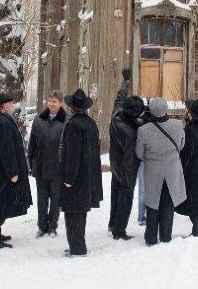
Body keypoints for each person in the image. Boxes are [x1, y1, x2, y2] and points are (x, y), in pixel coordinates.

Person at [0, 93, 32, 249]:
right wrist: (12, 172)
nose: (13, 106)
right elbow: (6, 150)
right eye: (11, 103)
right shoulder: (3, 123)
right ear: (5, 106)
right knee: (1, 203)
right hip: (3, 172)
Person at [58, 88, 103, 257]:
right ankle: (79, 245)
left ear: (71, 107)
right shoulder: (91, 123)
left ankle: (77, 248)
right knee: (80, 213)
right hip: (88, 176)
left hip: (76, 178)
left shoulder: (73, 124)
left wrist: (69, 177)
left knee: (72, 214)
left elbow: (72, 154)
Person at [135, 97, 185, 246]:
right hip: (172, 170)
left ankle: (150, 237)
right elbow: (181, 145)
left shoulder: (143, 130)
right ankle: (165, 236)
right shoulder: (178, 125)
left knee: (152, 204)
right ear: (166, 109)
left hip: (152, 172)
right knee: (168, 204)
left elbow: (139, 153)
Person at [108, 68, 144, 240]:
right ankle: (119, 230)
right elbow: (132, 155)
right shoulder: (132, 132)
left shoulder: (117, 113)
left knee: (115, 192)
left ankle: (112, 223)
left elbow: (120, 95)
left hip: (114, 161)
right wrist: (129, 176)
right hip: (126, 166)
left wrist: (126, 81)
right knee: (125, 196)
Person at [28, 90, 66, 238]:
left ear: (60, 103)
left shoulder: (65, 121)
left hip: (58, 167)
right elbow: (32, 143)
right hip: (41, 166)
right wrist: (31, 163)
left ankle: (52, 226)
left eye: (55, 101)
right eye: (50, 100)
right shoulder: (39, 119)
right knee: (42, 199)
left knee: (56, 199)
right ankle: (42, 226)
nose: (51, 103)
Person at [176, 99, 198, 236]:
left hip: (193, 171)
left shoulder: (191, 131)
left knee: (194, 202)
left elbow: (187, 152)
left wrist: (182, 168)